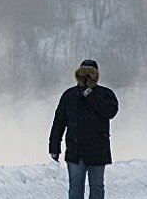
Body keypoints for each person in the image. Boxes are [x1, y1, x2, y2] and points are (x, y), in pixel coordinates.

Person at [49, 59, 119, 199]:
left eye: (90, 74)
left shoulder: (106, 94)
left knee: (97, 188)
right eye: (83, 74)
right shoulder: (69, 95)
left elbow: (109, 112)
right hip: (76, 151)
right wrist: (54, 147)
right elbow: (59, 122)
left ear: (96, 76)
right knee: (75, 189)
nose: (87, 77)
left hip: (97, 150)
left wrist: (90, 94)